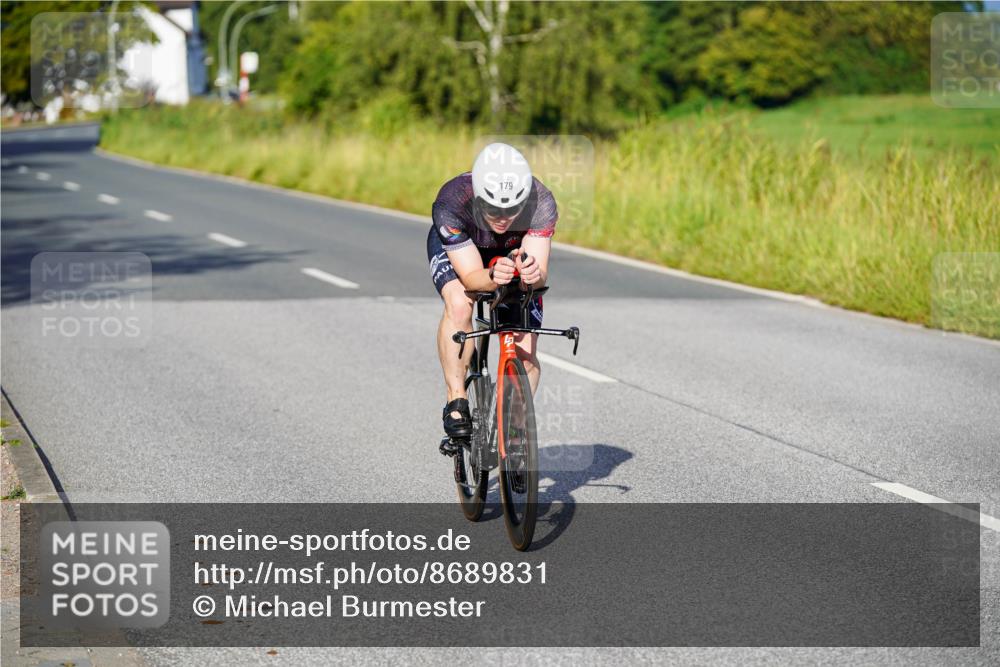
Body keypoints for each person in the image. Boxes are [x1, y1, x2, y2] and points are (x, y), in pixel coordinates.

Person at [427, 142, 558, 444]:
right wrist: (490, 275)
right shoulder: (452, 202)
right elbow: (473, 278)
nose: (503, 218)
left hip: (510, 253)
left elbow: (539, 275)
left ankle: (511, 425)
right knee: (460, 304)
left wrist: (531, 275)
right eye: (494, 209)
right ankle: (456, 399)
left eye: (512, 209)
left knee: (524, 348)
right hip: (466, 252)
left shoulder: (542, 202)